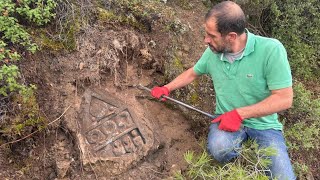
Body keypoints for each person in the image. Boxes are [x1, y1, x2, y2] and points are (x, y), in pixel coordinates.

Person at [150, 1, 296, 179]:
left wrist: (239, 114)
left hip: (264, 126)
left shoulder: (271, 50)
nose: (206, 40)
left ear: (231, 36)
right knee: (219, 150)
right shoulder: (213, 53)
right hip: (224, 121)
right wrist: (167, 88)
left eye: (211, 35)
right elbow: (192, 73)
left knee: (283, 177)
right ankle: (237, 164)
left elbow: (284, 98)